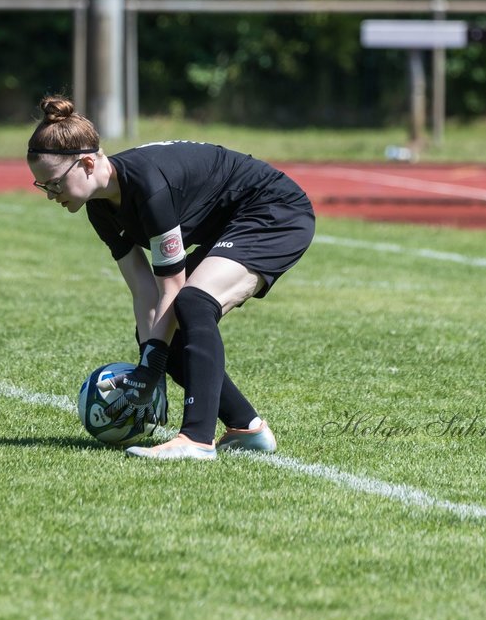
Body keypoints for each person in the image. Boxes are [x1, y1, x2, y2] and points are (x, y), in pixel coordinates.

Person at [27, 95, 316, 460]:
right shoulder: (99, 208)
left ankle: (196, 439)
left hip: (274, 210)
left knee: (192, 303)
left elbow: (172, 287)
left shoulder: (148, 187)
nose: (51, 195)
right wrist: (150, 363)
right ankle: (246, 428)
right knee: (162, 330)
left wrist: (151, 369)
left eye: (53, 183)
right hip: (231, 223)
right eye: (43, 188)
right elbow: (144, 293)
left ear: (87, 163)